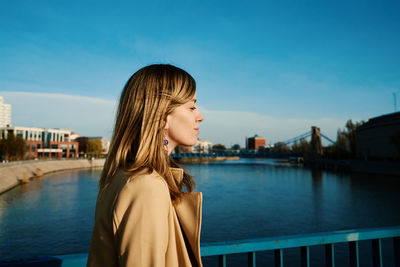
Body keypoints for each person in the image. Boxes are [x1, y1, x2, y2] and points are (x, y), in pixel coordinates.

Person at [87, 64, 204, 267]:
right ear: (162, 116)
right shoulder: (146, 186)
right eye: (192, 106)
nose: (200, 116)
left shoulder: (125, 176)